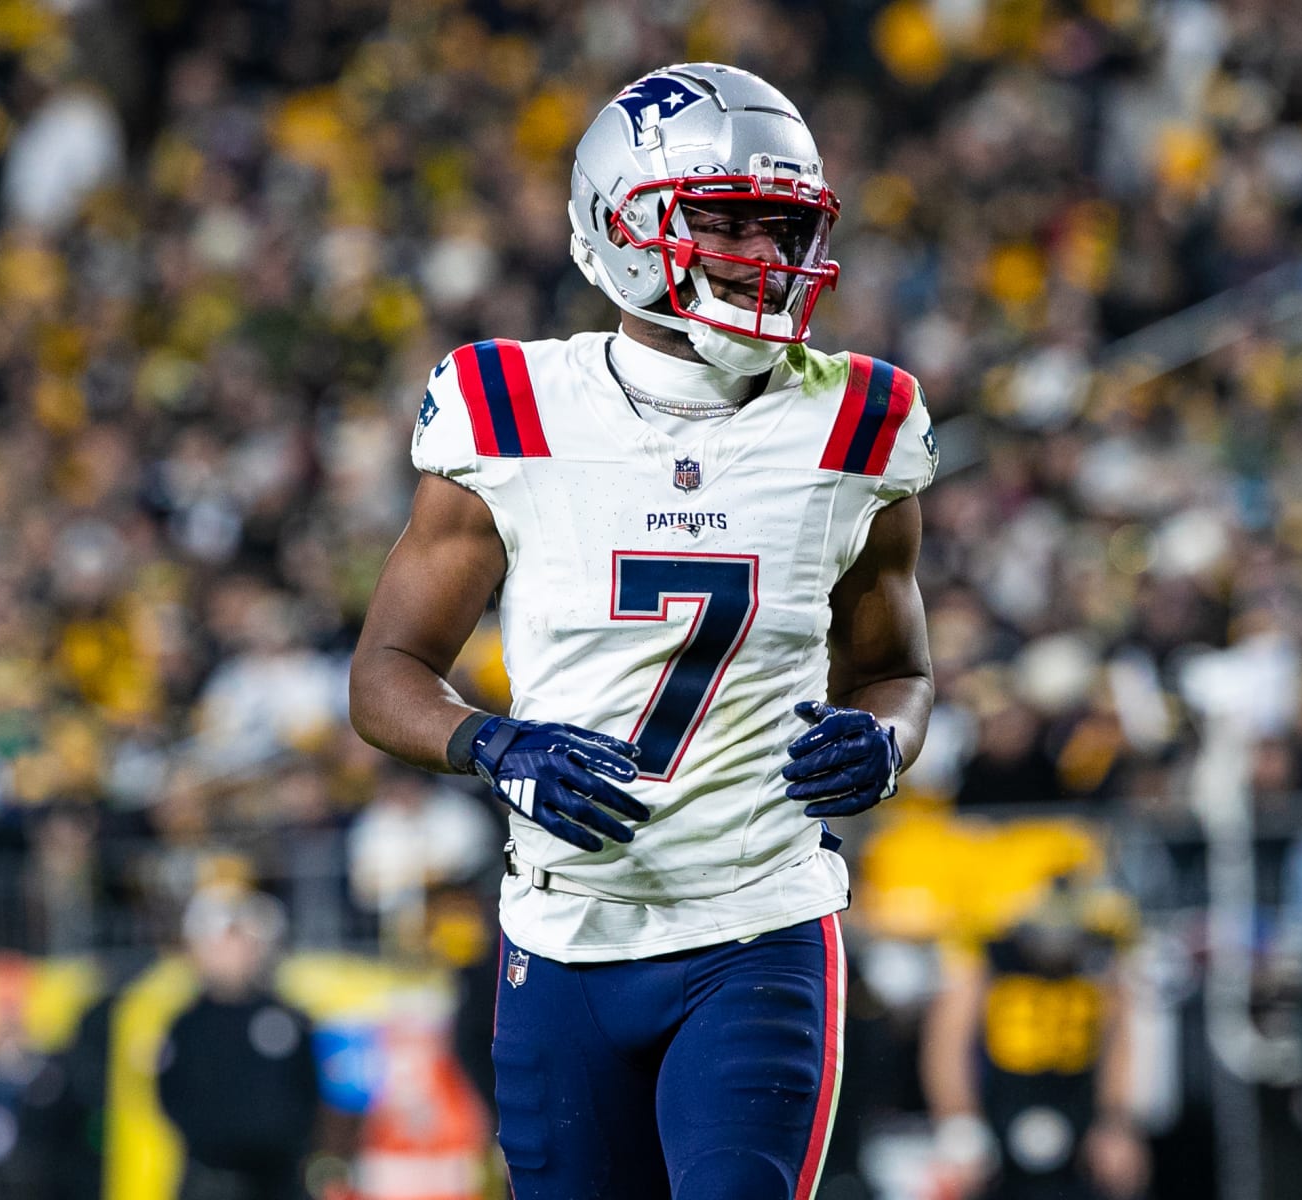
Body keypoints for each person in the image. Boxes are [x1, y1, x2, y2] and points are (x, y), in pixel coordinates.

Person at [349, 61, 936, 1200]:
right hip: (563, 933)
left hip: (759, 926)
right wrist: (495, 745)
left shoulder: (862, 417)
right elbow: (386, 671)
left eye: (783, 228)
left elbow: (898, 672)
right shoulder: (508, 406)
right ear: (625, 225)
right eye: (729, 225)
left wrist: (886, 741)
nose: (769, 258)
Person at [920, 876, 1148, 1200]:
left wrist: (1115, 1120)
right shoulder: (991, 959)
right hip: (998, 1107)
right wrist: (958, 1118)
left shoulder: (1097, 960)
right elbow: (948, 1040)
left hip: (1077, 1107)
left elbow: (1118, 1041)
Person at [157, 886, 320, 1200]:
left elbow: (308, 1089)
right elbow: (169, 1096)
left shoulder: (286, 1017)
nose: (229, 953)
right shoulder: (185, 1025)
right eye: (218, 944)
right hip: (211, 1176)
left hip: (278, 1177)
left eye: (237, 941)